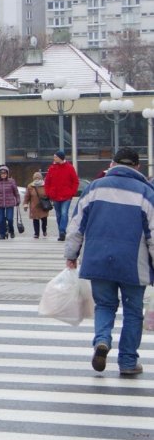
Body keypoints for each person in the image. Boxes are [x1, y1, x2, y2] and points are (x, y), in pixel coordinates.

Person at [64, 147, 154, 377]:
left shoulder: (94, 188)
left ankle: (102, 341)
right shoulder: (146, 192)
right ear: (137, 167)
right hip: (134, 263)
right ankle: (127, 361)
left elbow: (76, 225)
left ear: (112, 164)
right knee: (133, 311)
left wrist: (71, 254)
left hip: (98, 259)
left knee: (104, 305)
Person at [44, 150, 80, 242]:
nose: (54, 158)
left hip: (66, 196)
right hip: (55, 195)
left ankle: (62, 231)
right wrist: (48, 192)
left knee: (64, 213)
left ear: (60, 158)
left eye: (55, 156)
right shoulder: (52, 168)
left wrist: (72, 192)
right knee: (58, 214)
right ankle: (61, 230)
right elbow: (47, 182)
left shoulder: (69, 168)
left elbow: (75, 181)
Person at [0, 166, 21, 240]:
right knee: (1, 220)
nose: (3, 175)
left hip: (10, 203)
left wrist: (18, 200)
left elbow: (16, 192)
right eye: (2, 173)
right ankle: (2, 234)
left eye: (5, 173)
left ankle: (11, 230)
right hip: (0, 203)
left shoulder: (11, 181)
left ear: (7, 174)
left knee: (10, 219)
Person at [25, 171, 50, 239]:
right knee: (35, 220)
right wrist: (25, 204)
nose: (37, 179)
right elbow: (27, 196)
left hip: (43, 206)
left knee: (44, 219)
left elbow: (49, 194)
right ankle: (36, 233)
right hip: (34, 206)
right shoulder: (30, 186)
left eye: (38, 178)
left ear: (41, 178)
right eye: (35, 178)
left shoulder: (45, 185)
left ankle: (44, 230)